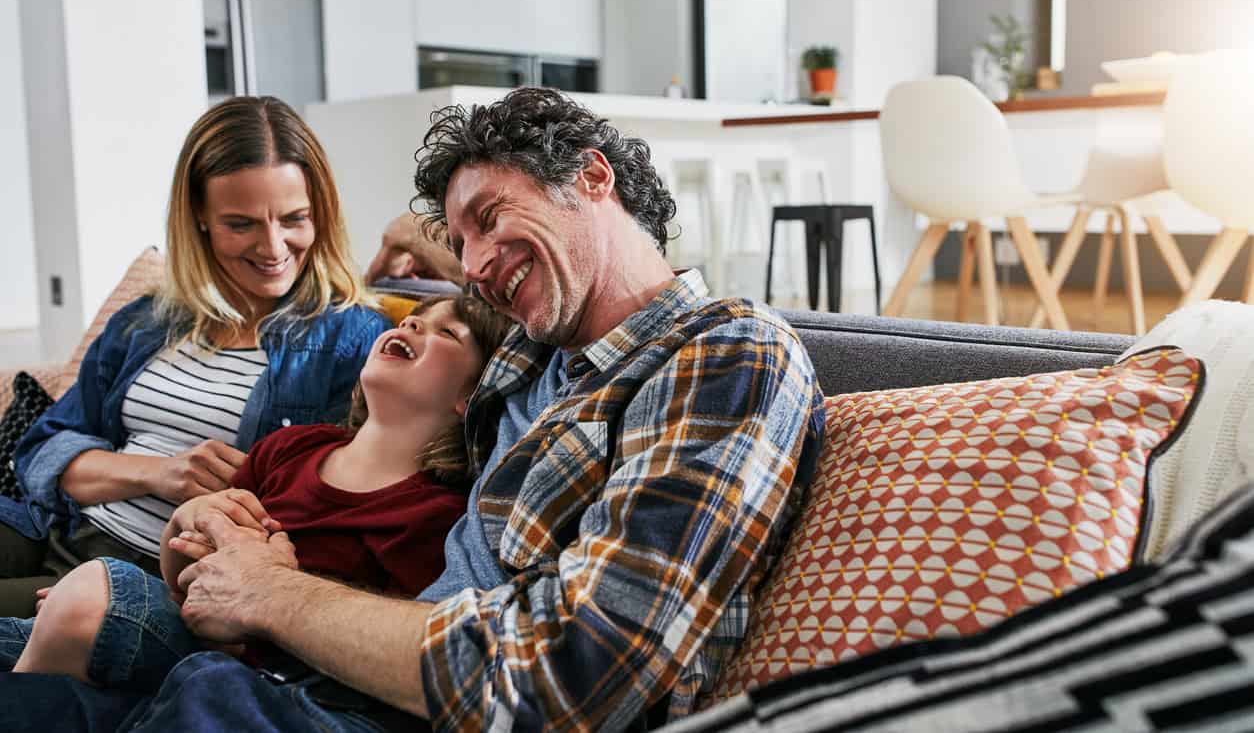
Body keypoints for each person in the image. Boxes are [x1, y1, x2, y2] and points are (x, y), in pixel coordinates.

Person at [0, 87, 826, 732]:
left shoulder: (721, 352)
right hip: (329, 671)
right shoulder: (537, 351)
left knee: (200, 688)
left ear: (593, 175)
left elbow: (570, 677)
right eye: (460, 243)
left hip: (388, 702)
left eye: (489, 220)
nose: (472, 262)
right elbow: (436, 297)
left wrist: (269, 595)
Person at [0, 96, 392, 617]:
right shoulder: (149, 320)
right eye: (241, 224)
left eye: (294, 218)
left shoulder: (353, 339)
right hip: (53, 526)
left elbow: (334, 511)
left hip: (147, 572)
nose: (274, 247)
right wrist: (158, 473)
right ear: (199, 220)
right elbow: (42, 449)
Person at [1, 294, 511, 692]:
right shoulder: (291, 446)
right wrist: (189, 521)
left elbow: (372, 649)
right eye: (412, 319)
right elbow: (182, 578)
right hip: (180, 616)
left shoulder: (434, 516)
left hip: (253, 672)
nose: (412, 324)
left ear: (472, 397)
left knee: (91, 592)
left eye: (447, 331)